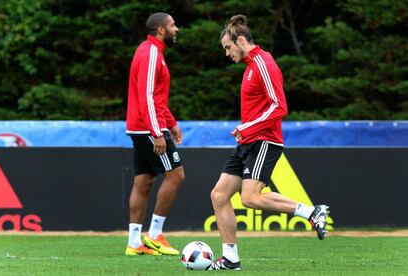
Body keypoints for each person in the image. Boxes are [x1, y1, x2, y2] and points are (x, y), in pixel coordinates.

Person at [209, 15, 330, 270]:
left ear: (241, 40)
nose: (227, 53)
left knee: (250, 197)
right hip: (247, 142)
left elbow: (280, 106)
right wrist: (246, 130)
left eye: (228, 47)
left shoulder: (263, 63)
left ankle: (311, 212)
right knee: (219, 195)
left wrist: (247, 127)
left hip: (264, 141)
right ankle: (230, 258)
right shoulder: (251, 66)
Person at [125, 12, 184, 256]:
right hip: (148, 128)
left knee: (144, 181)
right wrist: (157, 131)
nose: (176, 29)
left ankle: (134, 243)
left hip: (143, 126)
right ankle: (155, 234)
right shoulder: (150, 53)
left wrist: (170, 123)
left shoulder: (151, 52)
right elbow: (146, 95)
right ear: (161, 29)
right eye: (172, 25)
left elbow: (156, 97)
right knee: (176, 176)